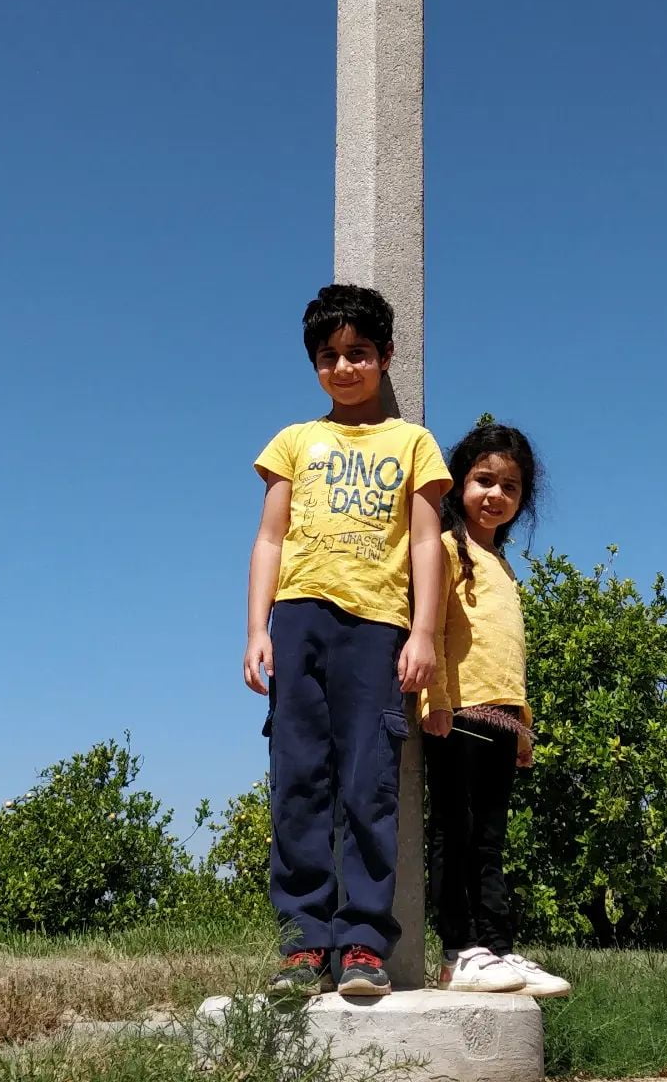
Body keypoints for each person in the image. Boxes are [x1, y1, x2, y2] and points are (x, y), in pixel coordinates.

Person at [244, 284, 451, 997]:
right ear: (314, 364)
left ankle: (362, 943)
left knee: (370, 783)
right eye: (329, 356)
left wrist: (423, 632)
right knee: (299, 780)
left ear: (386, 356)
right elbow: (269, 539)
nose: (344, 367)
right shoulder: (294, 442)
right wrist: (256, 629)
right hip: (299, 620)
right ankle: (304, 946)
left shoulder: (412, 443)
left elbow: (426, 542)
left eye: (358, 352)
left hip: (378, 629)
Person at [421, 420, 570, 997]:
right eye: (484, 480)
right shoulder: (445, 549)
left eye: (510, 487)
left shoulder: (502, 566)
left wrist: (523, 729)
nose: (495, 495)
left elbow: (509, 657)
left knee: (489, 840)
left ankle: (498, 948)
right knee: (454, 833)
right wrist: (434, 699)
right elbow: (432, 630)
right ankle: (458, 951)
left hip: (503, 721)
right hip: (458, 714)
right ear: (459, 482)